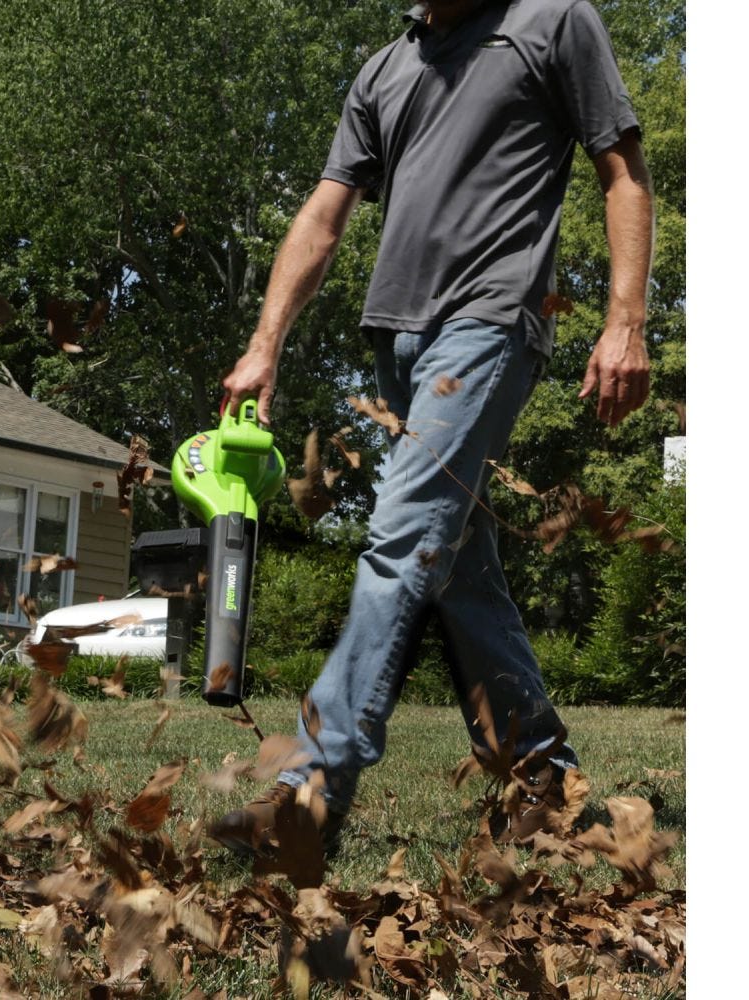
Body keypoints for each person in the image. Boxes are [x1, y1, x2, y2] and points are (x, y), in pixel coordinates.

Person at [209, 0, 653, 854]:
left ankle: (311, 790)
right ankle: (544, 774)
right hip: (397, 340)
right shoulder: (385, 68)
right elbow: (324, 215)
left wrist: (625, 320)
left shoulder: (552, 20)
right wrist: (265, 344)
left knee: (402, 536)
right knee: (456, 574)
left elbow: (622, 168)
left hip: (490, 322)